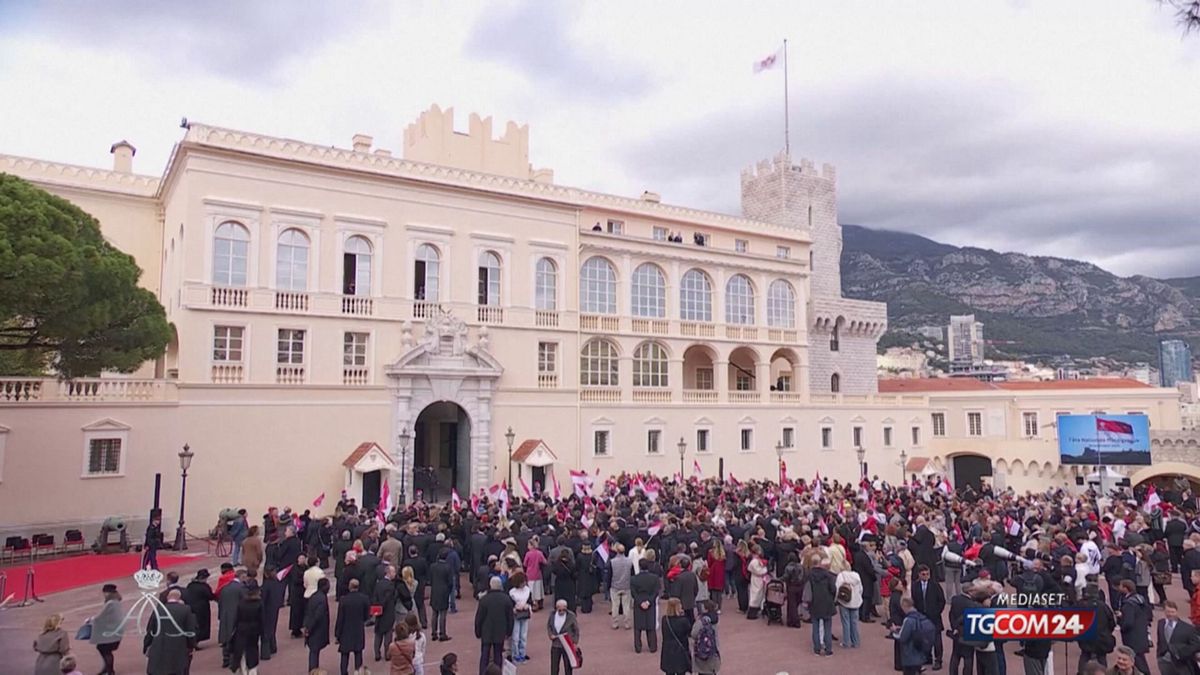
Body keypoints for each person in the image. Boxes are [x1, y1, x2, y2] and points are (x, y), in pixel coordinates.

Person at [144, 589, 198, 675]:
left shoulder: (158, 609)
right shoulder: (185, 609)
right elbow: (190, 630)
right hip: (178, 647)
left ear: (168, 597)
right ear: (180, 598)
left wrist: (146, 646)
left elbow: (150, 630)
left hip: (159, 646)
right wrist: (191, 645)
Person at [474, 576, 514, 675]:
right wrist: (509, 631)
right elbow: (510, 617)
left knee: (484, 655)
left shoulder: (484, 600)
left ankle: (482, 673)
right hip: (500, 631)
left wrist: (478, 631)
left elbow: (479, 617)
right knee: (498, 655)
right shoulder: (506, 599)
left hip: (486, 631)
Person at [912, 564, 946, 669]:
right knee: (923, 639)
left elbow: (942, 601)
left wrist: (937, 612)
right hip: (922, 617)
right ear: (919, 575)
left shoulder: (935, 585)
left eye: (927, 574)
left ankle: (938, 660)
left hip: (934, 617)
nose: (926, 576)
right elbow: (913, 600)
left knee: (937, 640)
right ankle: (927, 657)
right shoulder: (915, 586)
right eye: (923, 574)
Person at [1116, 579, 1151, 674]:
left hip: (1132, 637)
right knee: (1140, 659)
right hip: (1141, 633)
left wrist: (1121, 622)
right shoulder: (1140, 599)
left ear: (1126, 588)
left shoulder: (1129, 604)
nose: (1119, 588)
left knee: (1137, 661)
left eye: (1121, 586)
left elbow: (1128, 622)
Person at [336, 577, 370, 675]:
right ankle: (358, 672)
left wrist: (337, 634)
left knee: (344, 654)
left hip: (345, 630)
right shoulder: (364, 598)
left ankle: (343, 672)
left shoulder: (344, 600)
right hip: (358, 629)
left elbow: (340, 618)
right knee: (358, 653)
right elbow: (366, 616)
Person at [1156, 600, 1200, 675]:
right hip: (1164, 660)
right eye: (1168, 612)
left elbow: (1196, 644)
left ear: (1176, 612)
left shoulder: (1187, 628)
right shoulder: (1161, 623)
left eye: (1172, 612)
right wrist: (1159, 655)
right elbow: (1160, 640)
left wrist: (1182, 653)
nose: (1170, 614)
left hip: (1180, 662)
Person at [231, 581, 264, 674]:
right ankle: (252, 671)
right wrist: (263, 633)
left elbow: (236, 618)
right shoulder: (259, 603)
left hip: (241, 629)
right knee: (252, 650)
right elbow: (262, 619)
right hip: (254, 630)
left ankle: (243, 671)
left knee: (241, 652)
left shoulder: (241, 603)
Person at [632, 548, 661, 654]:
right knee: (650, 626)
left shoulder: (634, 579)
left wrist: (641, 602)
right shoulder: (654, 578)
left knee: (638, 627)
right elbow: (656, 591)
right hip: (650, 603)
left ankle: (638, 647)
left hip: (639, 604)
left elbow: (633, 593)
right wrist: (649, 601)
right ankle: (652, 646)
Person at [217, 567, 248, 669]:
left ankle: (225, 660)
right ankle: (233, 660)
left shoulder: (225, 587)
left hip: (225, 615)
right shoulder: (241, 588)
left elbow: (220, 602)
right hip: (236, 616)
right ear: (242, 576)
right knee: (235, 637)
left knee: (225, 637)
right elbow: (245, 603)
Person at [91, 583, 124, 675]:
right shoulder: (117, 602)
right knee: (105, 650)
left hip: (110, 632)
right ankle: (107, 669)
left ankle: (109, 670)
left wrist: (91, 620)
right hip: (116, 631)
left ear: (107, 593)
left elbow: (100, 617)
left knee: (104, 649)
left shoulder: (110, 603)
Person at [808, 554, 837, 656]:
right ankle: (828, 649)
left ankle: (817, 648)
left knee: (815, 627)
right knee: (827, 627)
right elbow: (833, 589)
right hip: (827, 602)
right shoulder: (828, 575)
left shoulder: (809, 574)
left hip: (814, 602)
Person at [896, 597, 932, 675]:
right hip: (920, 654)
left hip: (909, 656)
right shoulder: (920, 617)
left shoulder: (908, 620)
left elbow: (902, 638)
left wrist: (894, 633)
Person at [303, 577, 331, 673]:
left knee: (314, 651)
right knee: (314, 652)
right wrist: (309, 629)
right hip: (316, 630)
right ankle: (313, 671)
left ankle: (314, 669)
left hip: (313, 628)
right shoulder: (322, 599)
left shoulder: (314, 596)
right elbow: (317, 616)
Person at [660, 597, 693, 675]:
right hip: (680, 650)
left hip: (668, 650)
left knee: (669, 672)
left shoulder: (665, 619)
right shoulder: (683, 621)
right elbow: (689, 631)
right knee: (681, 671)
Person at [548, 598, 581, 675]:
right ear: (556, 608)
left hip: (567, 644)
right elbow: (549, 626)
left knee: (568, 666)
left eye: (564, 610)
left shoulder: (571, 616)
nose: (562, 612)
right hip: (556, 644)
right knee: (554, 667)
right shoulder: (552, 615)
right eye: (560, 610)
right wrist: (550, 635)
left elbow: (576, 630)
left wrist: (575, 642)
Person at [259, 565, 285, 661]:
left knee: (266, 631)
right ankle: (273, 647)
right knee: (272, 628)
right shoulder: (277, 583)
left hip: (267, 609)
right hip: (274, 608)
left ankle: (265, 653)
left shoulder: (267, 585)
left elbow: (263, 599)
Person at [835, 559, 863, 648]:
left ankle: (846, 642)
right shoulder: (856, 575)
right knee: (854, 622)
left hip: (844, 601)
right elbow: (860, 589)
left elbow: (837, 589)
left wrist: (836, 600)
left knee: (846, 622)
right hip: (856, 601)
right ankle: (856, 641)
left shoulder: (841, 576)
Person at [375, 564, 400, 661]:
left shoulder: (378, 583)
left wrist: (376, 609)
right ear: (389, 573)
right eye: (393, 572)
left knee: (378, 633)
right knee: (388, 634)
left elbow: (375, 596)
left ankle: (377, 653)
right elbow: (389, 598)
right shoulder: (390, 585)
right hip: (388, 611)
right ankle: (387, 654)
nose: (395, 574)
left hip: (378, 610)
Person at [183, 569, 215, 646]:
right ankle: (196, 641)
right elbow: (210, 596)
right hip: (202, 609)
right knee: (201, 625)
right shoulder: (204, 586)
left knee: (193, 624)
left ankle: (192, 640)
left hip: (190, 607)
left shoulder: (190, 585)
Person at [691, 599, 722, 674]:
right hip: (713, 649)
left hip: (702, 649)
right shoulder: (715, 619)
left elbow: (693, 634)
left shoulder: (701, 621)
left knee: (703, 670)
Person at [430, 548, 454, 642]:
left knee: (434, 613)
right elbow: (450, 582)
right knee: (443, 613)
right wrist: (448, 590)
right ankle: (442, 634)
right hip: (444, 592)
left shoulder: (433, 566)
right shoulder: (448, 567)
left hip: (435, 590)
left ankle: (434, 633)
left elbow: (431, 579)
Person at [509, 570, 533, 663]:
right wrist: (515, 608)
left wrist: (527, 605)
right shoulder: (512, 592)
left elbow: (530, 601)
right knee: (515, 635)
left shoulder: (527, 590)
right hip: (516, 615)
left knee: (523, 635)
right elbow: (510, 604)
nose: (524, 584)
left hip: (525, 614)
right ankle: (515, 654)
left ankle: (522, 653)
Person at [610, 543, 634, 629]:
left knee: (615, 606)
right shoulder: (629, 561)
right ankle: (627, 623)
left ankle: (615, 623)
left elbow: (609, 575)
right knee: (626, 606)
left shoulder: (612, 562)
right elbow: (632, 574)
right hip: (626, 586)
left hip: (615, 586)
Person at [524, 535, 547, 611]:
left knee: (531, 589)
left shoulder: (528, 554)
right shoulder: (539, 553)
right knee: (537, 589)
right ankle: (537, 603)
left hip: (530, 574)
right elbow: (544, 562)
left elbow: (525, 564)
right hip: (538, 573)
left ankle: (533, 603)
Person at [745, 547, 769, 620]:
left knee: (759, 595)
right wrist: (765, 569)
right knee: (755, 595)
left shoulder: (756, 560)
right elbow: (759, 571)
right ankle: (752, 613)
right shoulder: (754, 562)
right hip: (756, 579)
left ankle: (756, 610)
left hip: (758, 579)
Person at [705, 539, 726, 612]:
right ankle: (719, 608)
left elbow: (709, 562)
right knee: (719, 591)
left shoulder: (711, 552)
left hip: (713, 571)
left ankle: (714, 606)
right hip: (720, 572)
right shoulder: (723, 553)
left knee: (713, 591)